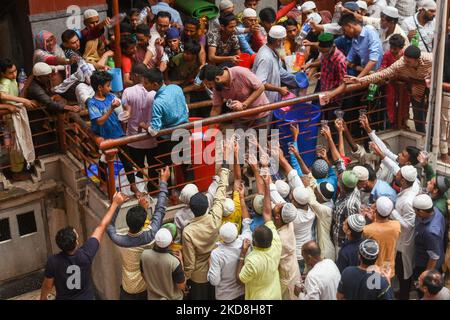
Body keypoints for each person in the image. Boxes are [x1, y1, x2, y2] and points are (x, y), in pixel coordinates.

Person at [40, 192, 129, 300]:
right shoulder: (86, 254)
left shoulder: (53, 261)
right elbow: (101, 226)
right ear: (76, 242)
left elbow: (47, 285)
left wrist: (43, 298)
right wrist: (115, 204)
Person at [107, 167, 169, 299]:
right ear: (143, 222)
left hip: (128, 289)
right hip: (146, 289)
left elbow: (109, 225)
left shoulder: (119, 240)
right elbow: (160, 209)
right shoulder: (150, 235)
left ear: (127, 222)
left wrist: (116, 204)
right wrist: (163, 181)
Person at [346, 45, 432, 134]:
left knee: (434, 115)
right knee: (418, 115)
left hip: (434, 87)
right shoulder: (400, 63)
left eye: (408, 61)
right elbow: (382, 74)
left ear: (417, 60)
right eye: (404, 59)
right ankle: (422, 136)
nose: (405, 62)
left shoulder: (430, 59)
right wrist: (360, 80)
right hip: (417, 88)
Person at [182, 147, 231, 300]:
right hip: (217, 268)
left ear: (191, 208)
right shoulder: (215, 217)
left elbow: (190, 262)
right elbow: (221, 192)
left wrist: (185, 278)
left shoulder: (188, 231)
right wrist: (225, 163)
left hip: (198, 277)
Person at [87, 70, 141, 197]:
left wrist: (127, 112)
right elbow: (99, 121)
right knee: (103, 161)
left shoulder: (111, 97)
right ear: (100, 88)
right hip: (104, 137)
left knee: (127, 161)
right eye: (108, 86)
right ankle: (104, 184)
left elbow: (124, 108)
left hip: (118, 134)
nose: (110, 88)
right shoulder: (92, 103)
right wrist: (111, 108)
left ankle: (133, 187)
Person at [236, 170, 283, 300]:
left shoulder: (252, 260)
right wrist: (267, 186)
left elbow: (240, 279)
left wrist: (242, 254)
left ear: (254, 242)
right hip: (275, 294)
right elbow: (267, 213)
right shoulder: (276, 243)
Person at [207, 184, 253, 300]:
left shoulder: (216, 254)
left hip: (225, 296)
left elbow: (214, 281)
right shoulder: (245, 241)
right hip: (243, 292)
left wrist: (209, 264)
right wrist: (242, 198)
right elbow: (247, 222)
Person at [122, 64, 159, 192]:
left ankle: (140, 192)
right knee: (154, 168)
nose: (130, 77)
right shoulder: (155, 93)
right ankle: (154, 191)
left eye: (131, 74)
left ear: (136, 75)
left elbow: (124, 114)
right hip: (152, 138)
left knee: (137, 168)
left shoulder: (128, 92)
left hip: (134, 139)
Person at [199, 65, 270, 125]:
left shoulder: (240, 72)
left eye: (209, 84)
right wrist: (210, 129)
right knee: (241, 140)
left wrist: (244, 104)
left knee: (262, 140)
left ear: (217, 79)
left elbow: (260, 87)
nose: (209, 87)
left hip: (260, 114)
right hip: (240, 117)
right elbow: (216, 107)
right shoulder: (217, 87)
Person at [0, 58, 36, 170]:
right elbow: (2, 96)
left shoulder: (12, 80)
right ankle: (16, 171)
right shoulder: (5, 82)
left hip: (15, 114)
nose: (14, 74)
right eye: (10, 72)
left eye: (15, 71)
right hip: (9, 118)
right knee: (16, 145)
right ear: (2, 73)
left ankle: (20, 168)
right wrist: (23, 101)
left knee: (20, 141)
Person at [390, 165, 419, 300]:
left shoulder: (407, 202)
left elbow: (408, 225)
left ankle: (404, 295)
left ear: (403, 181)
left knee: (403, 275)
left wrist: (392, 212)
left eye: (398, 175)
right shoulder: (408, 187)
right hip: (399, 242)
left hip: (403, 246)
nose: (396, 174)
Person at [252, 25, 298, 104]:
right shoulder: (265, 57)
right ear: (278, 41)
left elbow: (279, 70)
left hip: (273, 97)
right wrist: (279, 89)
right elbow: (260, 83)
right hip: (264, 99)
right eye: (283, 40)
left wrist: (295, 79)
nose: (284, 43)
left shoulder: (274, 50)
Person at [413, 194, 446, 298]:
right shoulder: (435, 210)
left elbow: (434, 257)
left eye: (415, 210)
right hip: (427, 255)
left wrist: (425, 278)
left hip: (425, 264)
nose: (414, 212)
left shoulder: (430, 232)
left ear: (421, 212)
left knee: (423, 291)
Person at [141, 228, 186, 300]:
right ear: (171, 243)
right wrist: (181, 262)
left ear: (155, 240)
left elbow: (144, 275)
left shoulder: (144, 255)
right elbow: (181, 286)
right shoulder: (174, 262)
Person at [363, 196, 401, 279]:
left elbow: (375, 231)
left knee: (374, 289)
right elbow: (382, 229)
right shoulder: (396, 226)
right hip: (388, 268)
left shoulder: (367, 230)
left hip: (374, 270)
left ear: (376, 210)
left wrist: (370, 220)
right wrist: (375, 220)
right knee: (386, 289)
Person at [338, 13, 383, 78]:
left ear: (349, 26)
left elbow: (373, 60)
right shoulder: (355, 38)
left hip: (376, 74)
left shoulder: (370, 34)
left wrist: (358, 78)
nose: (345, 33)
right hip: (364, 71)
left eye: (344, 30)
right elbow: (349, 58)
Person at [380, 34, 408, 128]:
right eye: (391, 47)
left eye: (395, 49)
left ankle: (403, 122)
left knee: (404, 102)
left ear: (401, 48)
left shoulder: (406, 56)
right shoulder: (387, 54)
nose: (392, 50)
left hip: (404, 84)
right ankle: (392, 123)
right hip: (390, 83)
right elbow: (383, 68)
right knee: (390, 101)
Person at [331, 170, 361, 256]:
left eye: (339, 180)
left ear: (343, 186)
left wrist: (347, 247)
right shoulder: (352, 187)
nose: (338, 180)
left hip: (342, 242)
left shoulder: (349, 206)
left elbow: (351, 228)